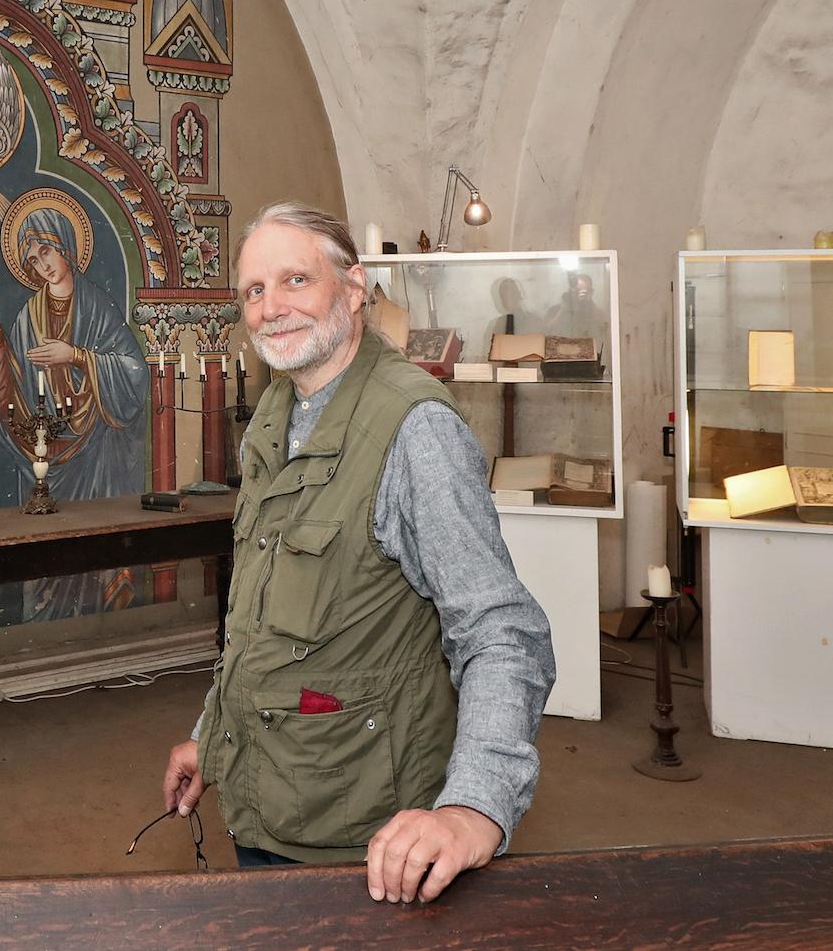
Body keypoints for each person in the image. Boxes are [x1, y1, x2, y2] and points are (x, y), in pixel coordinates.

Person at [160, 201, 555, 903]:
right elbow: (262, 620)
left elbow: (503, 632)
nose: (271, 307)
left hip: (364, 833)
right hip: (269, 799)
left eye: (294, 281)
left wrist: (472, 808)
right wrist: (213, 734)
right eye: (253, 290)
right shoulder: (276, 418)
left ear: (353, 288)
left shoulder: (414, 431)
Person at [0, 203, 149, 617]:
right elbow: (19, 395)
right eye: (32, 258)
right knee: (48, 566)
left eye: (45, 251)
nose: (41, 264)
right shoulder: (29, 315)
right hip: (50, 455)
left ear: (65, 246)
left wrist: (77, 356)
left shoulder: (96, 305)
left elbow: (134, 372)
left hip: (97, 456)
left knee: (93, 553)